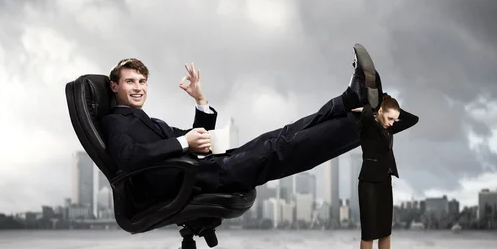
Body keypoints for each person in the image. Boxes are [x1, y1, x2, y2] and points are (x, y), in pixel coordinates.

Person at [99, 44, 388, 204]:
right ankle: (360, 123)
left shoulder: (146, 121)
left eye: (142, 82)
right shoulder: (115, 122)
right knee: (279, 149)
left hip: (203, 170)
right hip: (190, 181)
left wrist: (200, 101)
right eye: (130, 82)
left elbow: (193, 137)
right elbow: (128, 158)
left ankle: (349, 100)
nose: (138, 88)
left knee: (280, 135)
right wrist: (184, 142)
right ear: (114, 87)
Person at [354, 92, 419, 249]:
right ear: (379, 112)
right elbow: (364, 115)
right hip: (368, 184)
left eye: (394, 119)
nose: (392, 123)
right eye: (389, 118)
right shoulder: (367, 124)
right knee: (368, 234)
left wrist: (389, 104)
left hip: (385, 182)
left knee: (385, 232)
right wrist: (374, 105)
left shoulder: (390, 126)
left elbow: (412, 119)